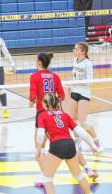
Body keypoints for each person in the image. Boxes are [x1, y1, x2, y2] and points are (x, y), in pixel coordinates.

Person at [36, 93, 97, 194]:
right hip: (70, 145)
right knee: (79, 175)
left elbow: (40, 134)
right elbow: (79, 131)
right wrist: (91, 144)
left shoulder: (42, 115)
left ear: (46, 105)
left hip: (57, 146)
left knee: (47, 179)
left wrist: (38, 150)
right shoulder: (64, 115)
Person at [29, 52, 65, 186]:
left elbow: (32, 95)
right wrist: (53, 103)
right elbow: (62, 96)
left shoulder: (35, 76)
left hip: (42, 114)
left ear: (39, 63)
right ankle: (84, 167)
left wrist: (31, 101)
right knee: (61, 143)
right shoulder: (55, 77)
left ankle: (46, 176)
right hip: (56, 114)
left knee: (39, 147)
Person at [69, 42, 100, 178]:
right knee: (73, 120)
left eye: (76, 49)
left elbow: (89, 82)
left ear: (82, 51)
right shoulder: (74, 60)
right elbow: (74, 76)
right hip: (74, 91)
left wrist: (77, 82)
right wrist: (71, 85)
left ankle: (96, 139)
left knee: (82, 122)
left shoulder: (88, 63)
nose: (74, 50)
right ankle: (78, 143)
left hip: (84, 93)